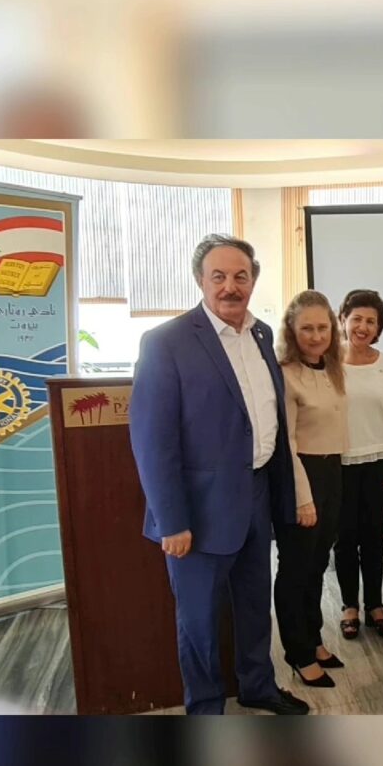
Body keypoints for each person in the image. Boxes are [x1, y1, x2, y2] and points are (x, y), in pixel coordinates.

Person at [129, 234, 308, 715]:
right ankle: (206, 710)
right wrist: (172, 521)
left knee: (254, 605)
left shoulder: (262, 334)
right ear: (200, 280)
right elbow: (152, 440)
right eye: (219, 276)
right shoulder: (166, 342)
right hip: (199, 509)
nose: (231, 286)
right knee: (200, 623)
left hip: (257, 494)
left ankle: (258, 686)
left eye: (241, 276)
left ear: (253, 280)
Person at [273, 290, 348, 689]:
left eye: (323, 328)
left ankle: (314, 638)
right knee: (295, 569)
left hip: (332, 472)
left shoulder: (333, 368)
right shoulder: (285, 374)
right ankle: (298, 652)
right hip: (301, 476)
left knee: (318, 565)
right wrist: (302, 497)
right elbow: (286, 443)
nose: (316, 336)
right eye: (307, 329)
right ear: (292, 330)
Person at [335, 289, 383, 641]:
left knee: (373, 538)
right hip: (339, 463)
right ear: (343, 320)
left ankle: (375, 606)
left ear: (378, 327)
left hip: (381, 462)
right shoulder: (328, 363)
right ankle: (349, 606)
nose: (363, 327)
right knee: (344, 538)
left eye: (371, 321)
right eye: (357, 319)